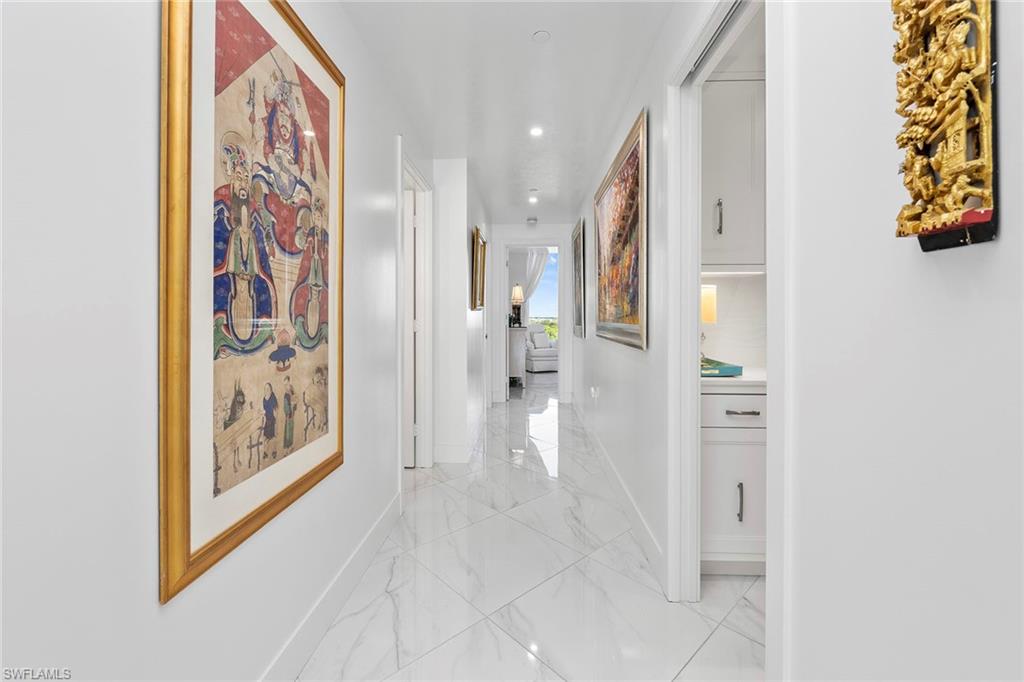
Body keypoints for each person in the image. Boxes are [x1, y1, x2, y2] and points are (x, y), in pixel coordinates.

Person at [262, 382, 278, 458]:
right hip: (267, 420)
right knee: (266, 438)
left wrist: (275, 421)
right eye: (265, 389)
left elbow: (275, 410)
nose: (266, 390)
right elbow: (265, 409)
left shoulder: (273, 398)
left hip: (272, 420)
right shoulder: (264, 399)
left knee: (273, 437)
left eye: (268, 388)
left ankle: (274, 451)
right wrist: (263, 413)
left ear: (271, 390)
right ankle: (265, 452)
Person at [282, 376, 296, 450]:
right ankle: (287, 446)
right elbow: (285, 406)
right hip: (288, 414)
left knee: (291, 428)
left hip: (292, 412)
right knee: (288, 430)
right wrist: (288, 412)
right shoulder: (286, 395)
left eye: (287, 383)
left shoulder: (292, 391)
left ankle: (290, 444)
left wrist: (294, 404)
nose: (286, 386)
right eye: (285, 385)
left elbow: (295, 399)